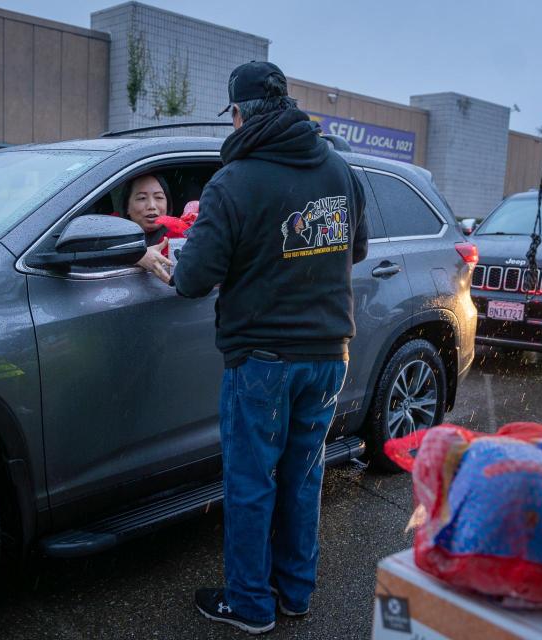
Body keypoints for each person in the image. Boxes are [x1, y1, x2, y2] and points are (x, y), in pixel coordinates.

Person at [168, 61, 368, 634]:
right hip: (329, 356)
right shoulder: (338, 169)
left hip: (262, 362)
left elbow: (192, 278)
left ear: (238, 114)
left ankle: (251, 605)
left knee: (253, 485)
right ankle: (295, 594)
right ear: (285, 104)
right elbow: (353, 250)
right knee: (305, 478)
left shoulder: (234, 181)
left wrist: (162, 264)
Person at [121, 173, 176, 281]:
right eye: (142, 198)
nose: (151, 206)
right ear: (127, 206)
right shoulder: (109, 230)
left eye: (159, 197)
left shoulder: (181, 236)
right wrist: (136, 255)